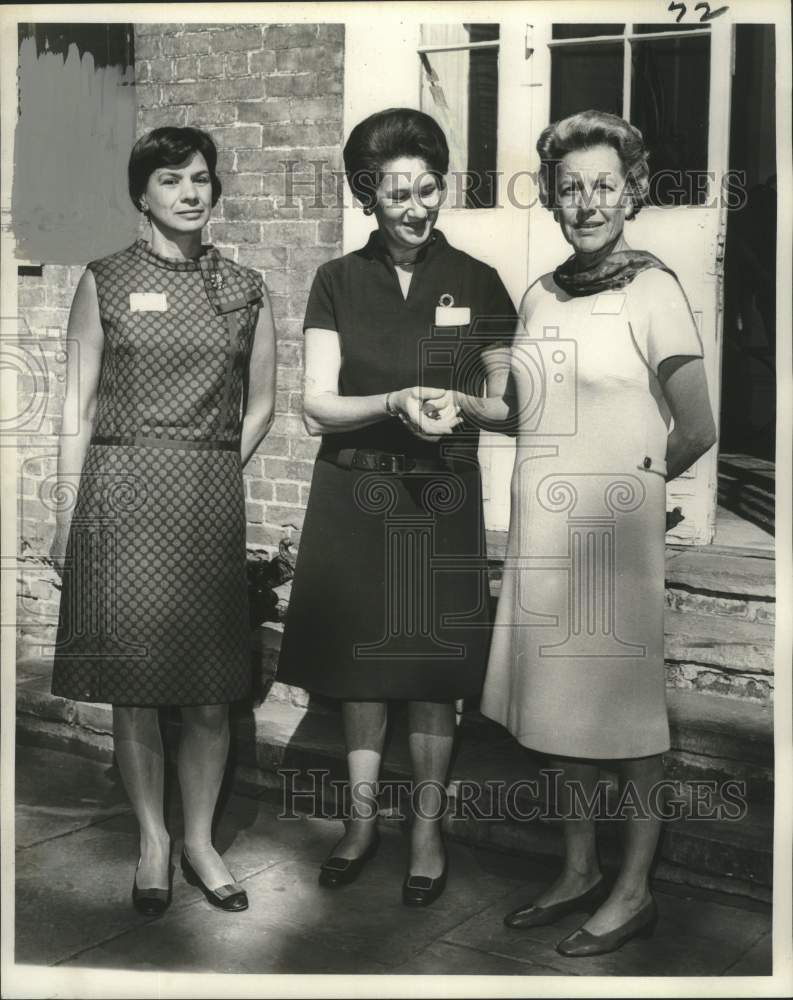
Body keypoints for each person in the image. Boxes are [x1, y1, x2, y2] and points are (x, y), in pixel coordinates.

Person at [481, 110, 717, 956]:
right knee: (556, 712)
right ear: (550, 196)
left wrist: (637, 494)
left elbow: (696, 422)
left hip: (613, 543)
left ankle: (632, 889)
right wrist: (463, 407)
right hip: (543, 532)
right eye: (569, 186)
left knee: (624, 723)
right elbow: (523, 415)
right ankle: (578, 869)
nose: (586, 202)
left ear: (632, 193)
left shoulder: (652, 288)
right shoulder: (540, 292)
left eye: (603, 186)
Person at [277, 108, 517, 906]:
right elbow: (315, 405)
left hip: (439, 496)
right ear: (366, 196)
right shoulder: (336, 281)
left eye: (428, 189)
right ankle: (359, 825)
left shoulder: (479, 281)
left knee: (428, 674)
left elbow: (505, 403)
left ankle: (424, 834)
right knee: (360, 672)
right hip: (353, 492)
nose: (415, 207)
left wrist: (457, 403)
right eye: (396, 193)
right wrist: (394, 400)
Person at [50, 126, 276, 917]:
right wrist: (64, 503)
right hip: (118, 492)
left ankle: (200, 841)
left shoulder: (244, 286)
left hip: (206, 499)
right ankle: (152, 839)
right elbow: (75, 404)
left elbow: (262, 403)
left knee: (211, 690)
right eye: (172, 178)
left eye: (202, 179)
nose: (190, 192)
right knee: (136, 687)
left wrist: (211, 467)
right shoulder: (105, 280)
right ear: (141, 193)